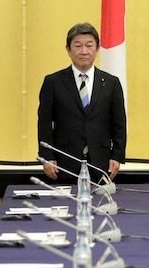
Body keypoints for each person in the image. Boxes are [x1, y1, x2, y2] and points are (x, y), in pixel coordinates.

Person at [37, 22, 127, 182]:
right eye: (78, 46)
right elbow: (44, 123)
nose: (84, 51)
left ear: (97, 49)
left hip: (101, 161)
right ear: (68, 49)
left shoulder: (111, 83)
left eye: (89, 45)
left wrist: (117, 156)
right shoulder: (53, 82)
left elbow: (119, 124)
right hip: (64, 161)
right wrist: (46, 156)